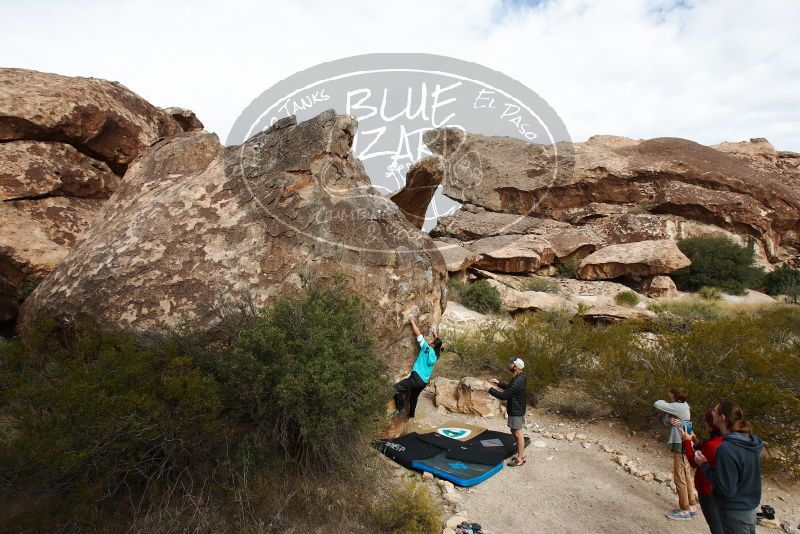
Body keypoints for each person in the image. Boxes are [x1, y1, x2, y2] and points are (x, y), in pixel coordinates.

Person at [695, 400, 764, 534]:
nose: (712, 412)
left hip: (734, 510)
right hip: (749, 507)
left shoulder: (727, 448)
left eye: (715, 410)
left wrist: (704, 466)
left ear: (722, 418)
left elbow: (726, 489)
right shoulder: (749, 441)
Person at [654, 387, 699, 520]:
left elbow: (657, 403)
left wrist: (669, 410)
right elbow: (668, 420)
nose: (669, 398)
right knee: (686, 475)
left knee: (679, 476)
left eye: (670, 396)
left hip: (680, 443)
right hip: (685, 442)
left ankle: (684, 510)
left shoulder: (678, 407)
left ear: (675, 396)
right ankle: (691, 506)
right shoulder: (683, 407)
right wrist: (669, 420)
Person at [678, 410, 725, 534]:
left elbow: (694, 462)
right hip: (720, 489)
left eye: (706, 422)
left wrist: (686, 441)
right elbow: (707, 453)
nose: (704, 424)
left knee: (715, 524)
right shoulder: (724, 440)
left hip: (708, 489)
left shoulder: (712, 445)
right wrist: (695, 441)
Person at [392, 317, 442, 418]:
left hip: (415, 379)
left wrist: (412, 322)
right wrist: (436, 336)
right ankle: (411, 415)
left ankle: (400, 409)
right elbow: (439, 345)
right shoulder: (436, 355)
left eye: (432, 340)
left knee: (396, 389)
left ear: (432, 344)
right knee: (413, 398)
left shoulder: (426, 348)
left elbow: (418, 334)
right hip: (423, 383)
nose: (430, 340)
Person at [484, 357, 527, 467]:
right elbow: (510, 388)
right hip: (515, 409)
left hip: (516, 410)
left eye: (511, 363)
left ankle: (520, 458)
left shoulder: (518, 379)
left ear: (515, 367)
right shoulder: (519, 377)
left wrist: (490, 389)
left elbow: (504, 395)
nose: (509, 365)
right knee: (514, 431)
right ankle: (520, 455)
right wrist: (498, 384)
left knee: (518, 433)